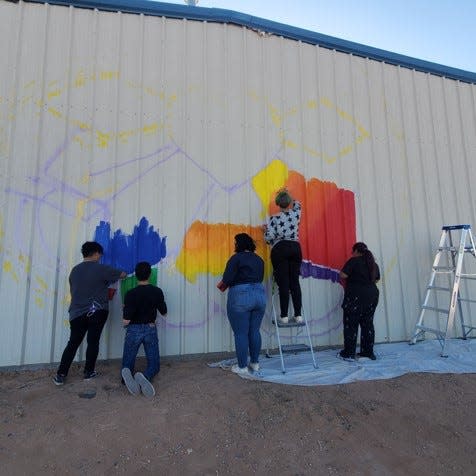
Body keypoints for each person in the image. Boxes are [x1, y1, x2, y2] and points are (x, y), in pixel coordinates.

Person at [53, 242, 126, 385]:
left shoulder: (74, 270)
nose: (101, 256)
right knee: (93, 342)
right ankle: (88, 372)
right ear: (96, 253)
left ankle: (61, 375)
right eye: (100, 254)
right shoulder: (101, 268)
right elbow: (122, 274)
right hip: (97, 312)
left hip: (77, 312)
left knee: (73, 343)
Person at [219, 233, 266, 375]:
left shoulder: (236, 258)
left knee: (241, 333)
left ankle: (242, 366)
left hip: (241, 295)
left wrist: (223, 285)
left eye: (235, 243)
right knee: (254, 331)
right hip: (259, 295)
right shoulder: (259, 260)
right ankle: (255, 363)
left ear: (238, 245)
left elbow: (227, 278)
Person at [120, 261, 167, 398]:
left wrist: (126, 313)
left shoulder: (130, 294)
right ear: (150, 275)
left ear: (136, 275)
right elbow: (164, 312)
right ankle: (144, 376)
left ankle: (126, 379)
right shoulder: (157, 291)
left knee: (128, 362)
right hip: (150, 329)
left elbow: (126, 320)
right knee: (154, 365)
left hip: (133, 330)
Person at [263, 189, 303, 324]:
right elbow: (298, 203)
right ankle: (298, 315)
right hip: (295, 247)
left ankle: (284, 316)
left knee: (283, 283)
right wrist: (288, 193)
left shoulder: (274, 218)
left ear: (278, 203)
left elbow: (269, 238)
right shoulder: (296, 213)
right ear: (289, 202)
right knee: (295, 282)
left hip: (280, 249)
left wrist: (265, 231)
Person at [338, 242, 380, 361]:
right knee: (368, 324)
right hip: (372, 295)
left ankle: (349, 353)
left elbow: (343, 275)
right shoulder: (373, 264)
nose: (352, 253)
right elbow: (376, 280)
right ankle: (368, 353)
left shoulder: (354, 261)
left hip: (355, 296)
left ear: (356, 251)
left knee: (351, 324)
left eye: (353, 251)